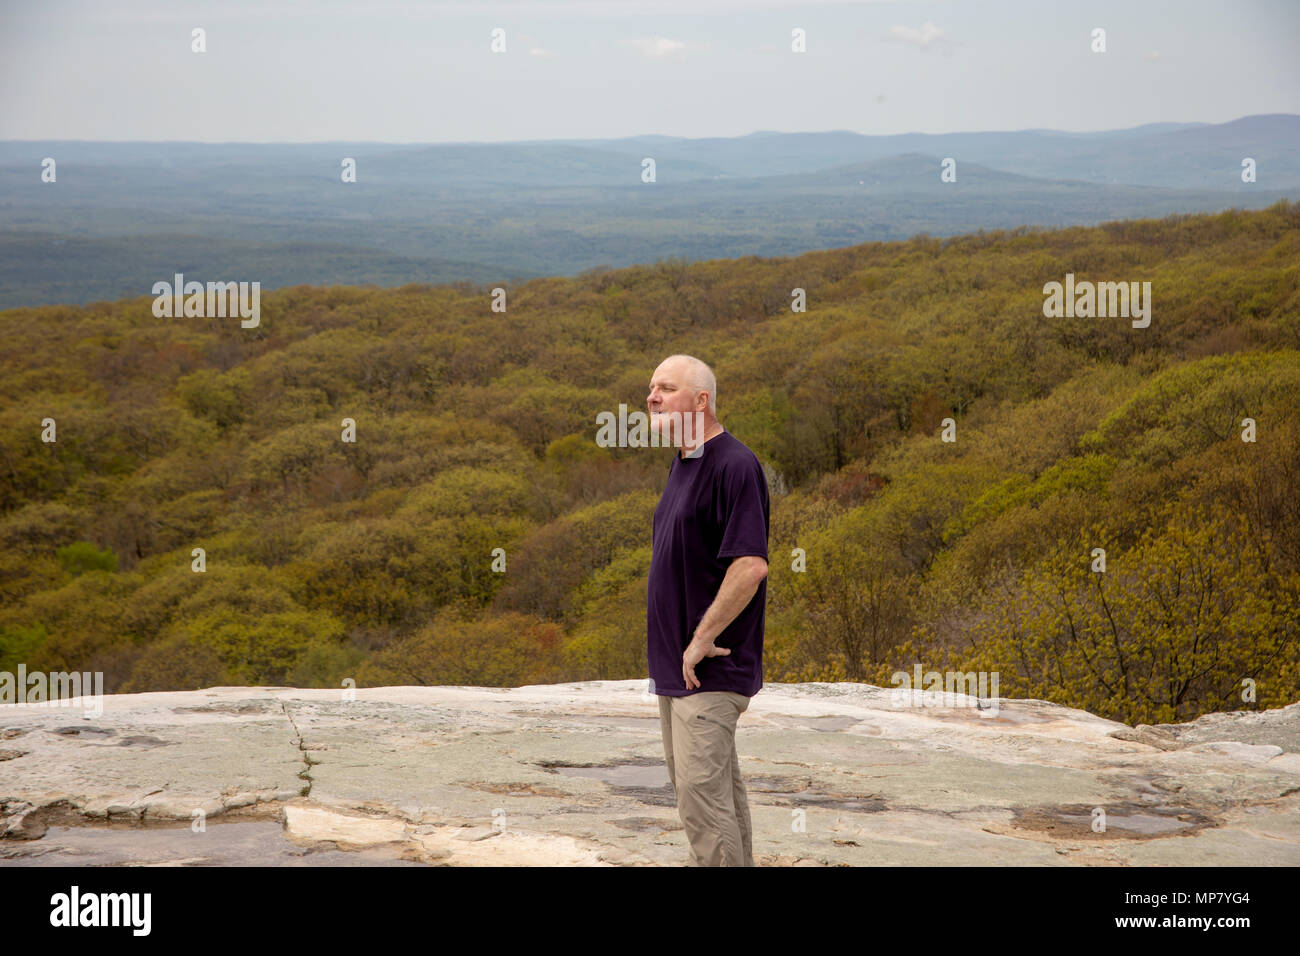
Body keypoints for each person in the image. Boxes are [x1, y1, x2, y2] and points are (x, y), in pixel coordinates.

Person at [645, 354, 770, 867]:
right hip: (679, 671)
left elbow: (750, 565)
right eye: (650, 387)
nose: (651, 396)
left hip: (711, 668)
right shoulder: (685, 460)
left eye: (665, 388)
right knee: (712, 795)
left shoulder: (734, 464)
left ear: (701, 401)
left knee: (701, 802)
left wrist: (700, 639)